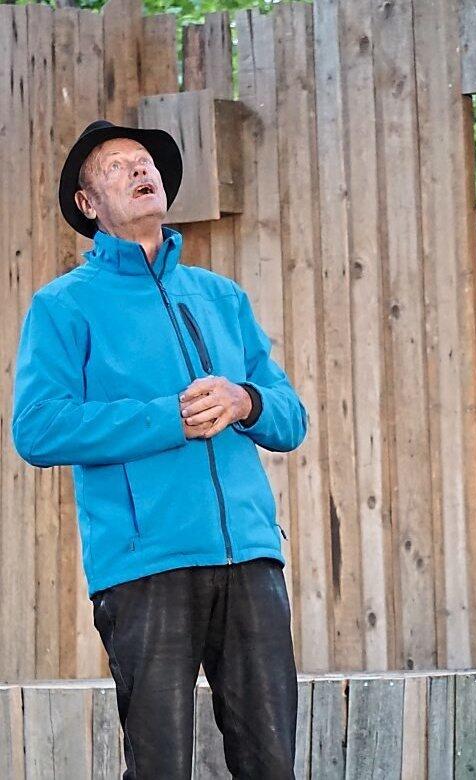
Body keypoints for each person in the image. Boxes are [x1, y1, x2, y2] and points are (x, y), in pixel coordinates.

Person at [11, 120, 308, 778]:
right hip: (143, 567)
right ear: (88, 203)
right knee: (160, 767)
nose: (140, 170)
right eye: (117, 167)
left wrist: (246, 401)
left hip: (249, 559)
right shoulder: (63, 306)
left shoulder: (221, 296)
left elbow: (291, 417)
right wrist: (168, 417)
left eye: (144, 161)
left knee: (272, 764)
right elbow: (37, 428)